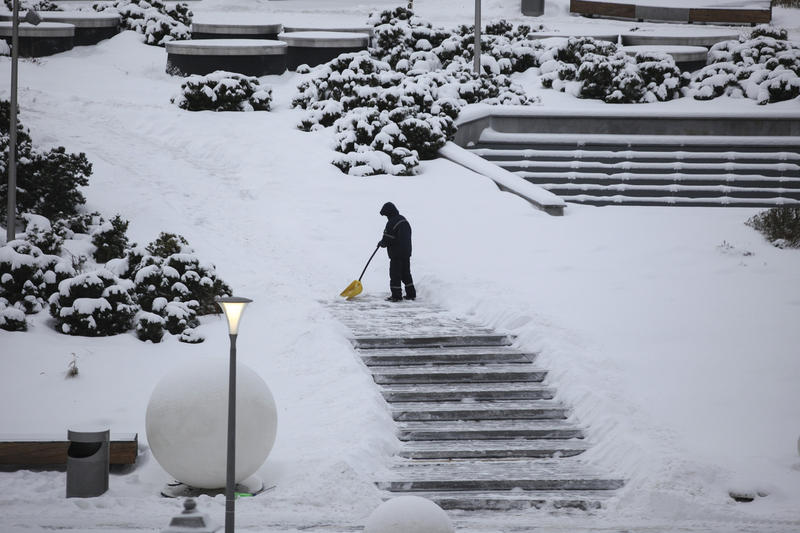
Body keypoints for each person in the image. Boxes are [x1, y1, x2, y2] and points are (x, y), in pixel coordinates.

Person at [378, 202, 415, 302]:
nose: (386, 217)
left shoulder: (392, 222)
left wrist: (382, 243)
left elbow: (387, 239)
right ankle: (411, 294)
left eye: (386, 215)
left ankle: (396, 296)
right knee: (406, 274)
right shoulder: (403, 219)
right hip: (406, 252)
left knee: (395, 275)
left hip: (396, 254)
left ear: (389, 213)